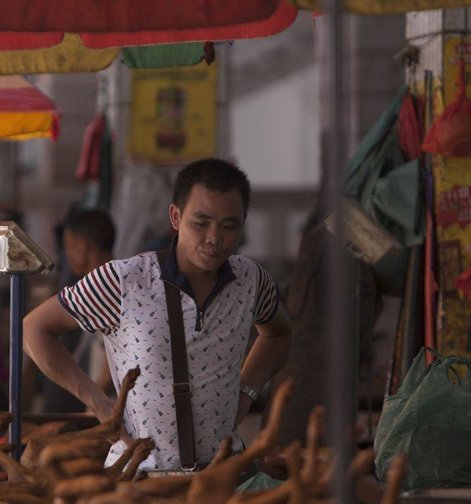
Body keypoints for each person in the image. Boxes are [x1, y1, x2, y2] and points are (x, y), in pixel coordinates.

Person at [24, 158, 293, 471]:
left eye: (229, 225)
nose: (214, 238)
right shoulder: (124, 280)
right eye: (201, 222)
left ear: (243, 222)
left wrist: (246, 391)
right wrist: (100, 404)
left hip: (223, 476)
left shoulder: (251, 281)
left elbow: (278, 333)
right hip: (139, 479)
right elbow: (35, 328)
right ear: (176, 217)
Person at [40, 208, 116, 413]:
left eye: (69, 246)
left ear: (83, 246)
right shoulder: (110, 280)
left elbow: (112, 365)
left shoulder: (106, 286)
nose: (68, 255)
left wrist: (93, 405)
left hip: (108, 406)